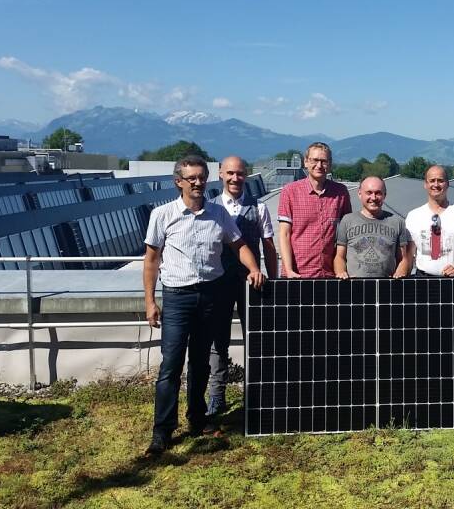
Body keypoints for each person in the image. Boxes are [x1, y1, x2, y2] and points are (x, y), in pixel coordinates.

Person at [143, 155, 265, 455]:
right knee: (171, 365)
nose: (198, 183)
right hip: (177, 297)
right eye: (191, 178)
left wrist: (253, 268)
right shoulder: (162, 215)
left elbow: (239, 245)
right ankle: (162, 430)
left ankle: (197, 419)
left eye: (201, 177)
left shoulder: (218, 213)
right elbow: (151, 260)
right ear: (179, 182)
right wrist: (150, 301)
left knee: (200, 362)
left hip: (210, 294)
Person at [205, 155, 279, 421]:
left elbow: (268, 246)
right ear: (221, 174)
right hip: (218, 284)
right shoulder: (209, 207)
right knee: (217, 341)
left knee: (256, 340)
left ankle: (257, 394)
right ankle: (217, 396)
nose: (236, 178)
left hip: (253, 283)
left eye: (240, 174)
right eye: (231, 173)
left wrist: (274, 279)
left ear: (246, 176)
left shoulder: (259, 208)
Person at [277, 142, 352, 278]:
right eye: (315, 160)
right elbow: (284, 234)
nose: (319, 165)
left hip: (330, 274)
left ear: (329, 164)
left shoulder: (341, 192)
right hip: (298, 274)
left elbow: (346, 233)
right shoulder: (290, 191)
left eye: (324, 161)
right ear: (305, 162)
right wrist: (288, 270)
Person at [405, 165, 454, 277]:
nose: (436, 185)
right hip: (423, 280)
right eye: (432, 181)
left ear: (448, 184)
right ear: (425, 184)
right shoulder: (413, 216)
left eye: (440, 181)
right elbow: (409, 254)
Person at [334, 176, 412, 278]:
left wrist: (400, 273)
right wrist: (340, 272)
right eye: (369, 193)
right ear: (359, 194)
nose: (374, 197)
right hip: (354, 287)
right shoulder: (347, 221)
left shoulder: (397, 222)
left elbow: (402, 259)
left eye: (378, 193)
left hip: (386, 287)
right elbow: (339, 256)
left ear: (385, 195)